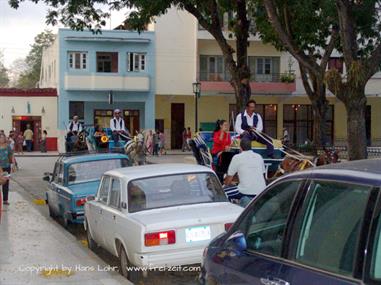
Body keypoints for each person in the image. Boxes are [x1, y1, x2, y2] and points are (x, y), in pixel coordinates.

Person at [223, 138, 266, 207]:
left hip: (245, 191)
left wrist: (225, 185)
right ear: (251, 147)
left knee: (223, 193)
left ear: (240, 148)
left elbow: (229, 179)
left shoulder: (237, 157)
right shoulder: (259, 157)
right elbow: (262, 175)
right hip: (261, 191)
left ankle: (232, 211)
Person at [0, 133, 16, 206]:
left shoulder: (8, 146)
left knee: (6, 184)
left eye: (3, 138)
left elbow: (11, 155)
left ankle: (5, 200)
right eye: (0, 138)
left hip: (6, 167)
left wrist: (13, 165)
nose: (2, 139)